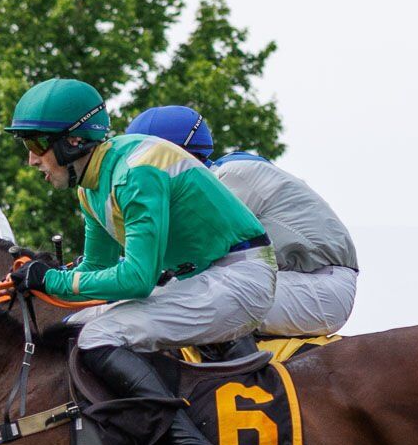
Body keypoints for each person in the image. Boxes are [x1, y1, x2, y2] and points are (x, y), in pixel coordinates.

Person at [6, 78, 276, 445]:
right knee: (75, 325)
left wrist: (52, 278)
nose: (30, 160)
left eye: (38, 144)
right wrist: (33, 284)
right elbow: (95, 273)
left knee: (99, 335)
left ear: (74, 141)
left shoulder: (134, 172)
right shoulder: (90, 188)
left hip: (240, 278)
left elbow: (136, 279)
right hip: (204, 278)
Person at [128, 106, 359, 337]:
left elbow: (194, 256)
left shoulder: (232, 175)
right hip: (287, 283)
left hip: (321, 287)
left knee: (180, 301)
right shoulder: (210, 179)